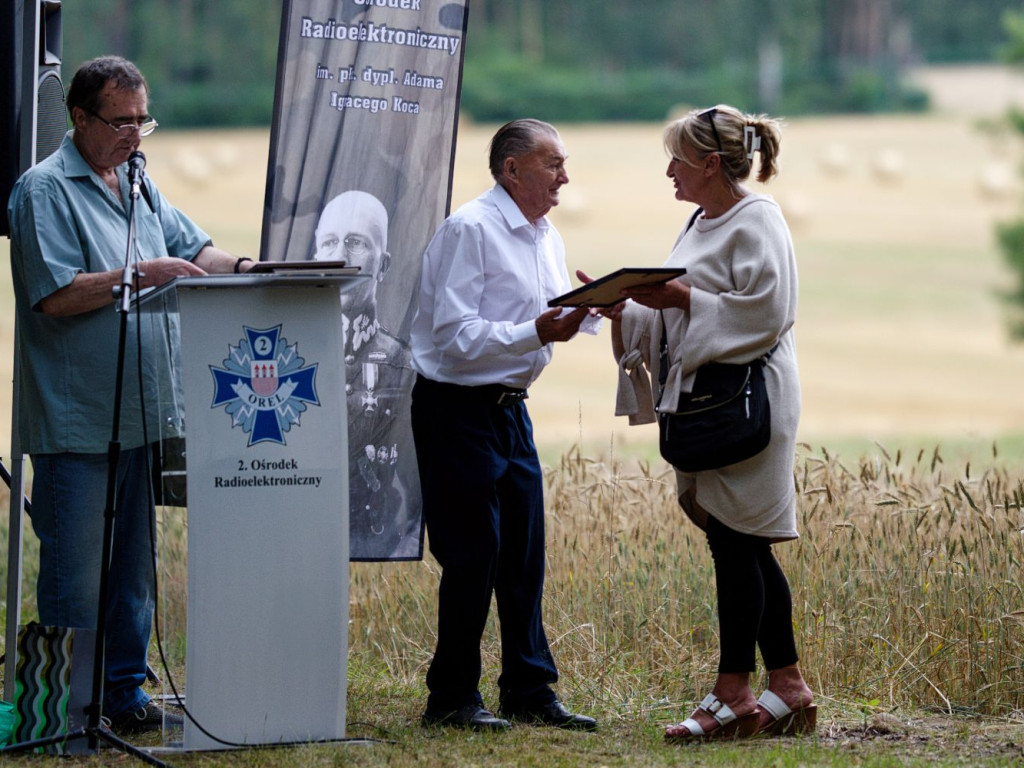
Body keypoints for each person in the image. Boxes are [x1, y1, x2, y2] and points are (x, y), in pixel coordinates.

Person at [6, 55, 253, 735]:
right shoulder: (44, 190)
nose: (135, 133)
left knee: (133, 574)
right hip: (76, 419)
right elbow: (55, 296)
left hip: (141, 415)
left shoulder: (138, 181)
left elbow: (194, 250)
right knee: (74, 575)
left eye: (143, 119)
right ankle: (56, 716)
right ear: (79, 117)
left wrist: (254, 270)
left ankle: (122, 695)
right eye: (121, 121)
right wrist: (141, 274)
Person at [599, 105, 815, 740]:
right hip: (706, 400)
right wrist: (622, 311)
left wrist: (679, 298)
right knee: (742, 539)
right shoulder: (697, 219)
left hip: (752, 403)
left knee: (735, 542)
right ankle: (789, 687)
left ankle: (732, 695)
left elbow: (767, 312)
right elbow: (677, 311)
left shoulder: (759, 221)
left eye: (678, 161)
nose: (669, 171)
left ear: (711, 165)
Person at [409, 119, 599, 731]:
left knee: (523, 553)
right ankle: (452, 699)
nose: (565, 177)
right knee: (473, 555)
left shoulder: (545, 235)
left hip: (510, 407)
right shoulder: (470, 229)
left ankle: (529, 690)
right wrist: (538, 331)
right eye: (553, 164)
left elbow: (546, 315)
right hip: (456, 409)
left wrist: (592, 309)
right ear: (511, 169)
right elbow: (455, 337)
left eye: (565, 164)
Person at [313, 190, 419, 559]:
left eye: (356, 243)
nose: (340, 256)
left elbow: (417, 487)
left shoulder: (403, 365)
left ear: (383, 265)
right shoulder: (292, 355)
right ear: (314, 257)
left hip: (378, 543)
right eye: (329, 243)